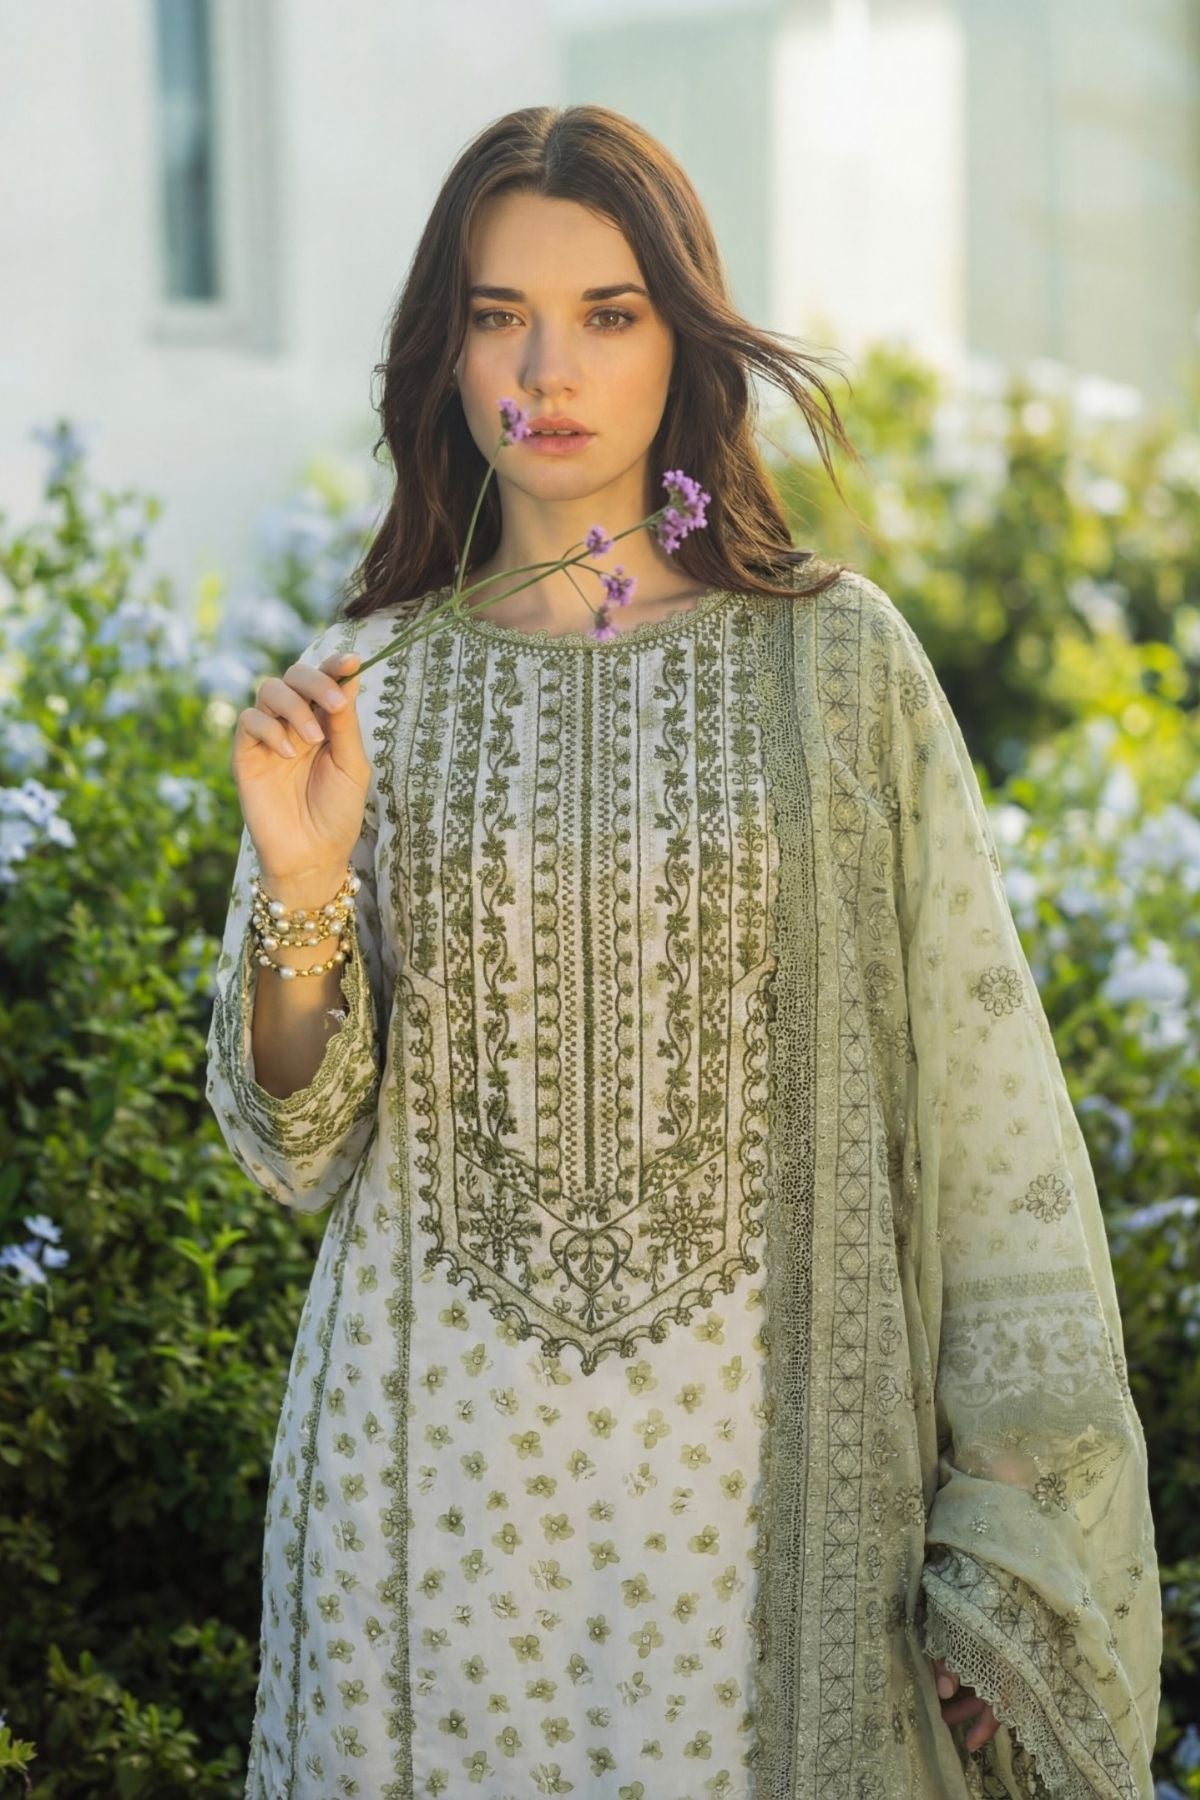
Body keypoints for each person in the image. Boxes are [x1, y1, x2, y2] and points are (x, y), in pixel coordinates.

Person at [205, 104, 1161, 1799]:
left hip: (773, 1532)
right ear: (445, 352)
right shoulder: (367, 683)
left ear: (682, 340)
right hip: (428, 1528)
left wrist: (1006, 1520)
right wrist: (303, 879)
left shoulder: (837, 664)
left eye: (608, 313)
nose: (547, 369)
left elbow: (985, 1097)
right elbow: (298, 1146)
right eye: (499, 315)